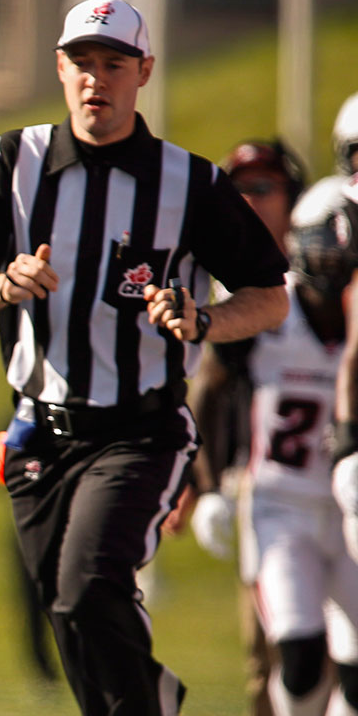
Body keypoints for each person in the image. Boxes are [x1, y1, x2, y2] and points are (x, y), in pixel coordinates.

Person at [0, 0, 289, 713]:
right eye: (84, 63)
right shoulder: (12, 161)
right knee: (68, 616)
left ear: (144, 72)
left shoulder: (189, 183)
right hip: (38, 432)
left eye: (115, 64)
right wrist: (4, 283)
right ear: (61, 68)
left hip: (140, 428)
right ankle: (150, 699)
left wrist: (204, 319)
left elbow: (270, 294)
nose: (98, 80)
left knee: (89, 588)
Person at [186, 138, 307, 716]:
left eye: (264, 188)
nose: (251, 202)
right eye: (241, 191)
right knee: (272, 655)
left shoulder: (335, 280)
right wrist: (206, 485)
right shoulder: (236, 291)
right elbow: (208, 387)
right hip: (272, 494)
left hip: (341, 488)